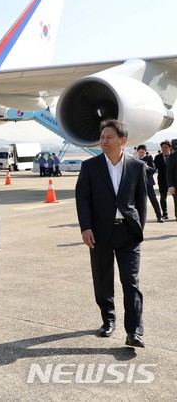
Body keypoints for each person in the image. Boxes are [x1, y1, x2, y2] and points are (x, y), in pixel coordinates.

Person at [75, 119, 146, 348]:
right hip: (100, 233)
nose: (103, 141)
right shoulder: (90, 166)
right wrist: (86, 228)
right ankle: (108, 319)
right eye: (102, 137)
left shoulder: (137, 166)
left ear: (122, 141)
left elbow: (140, 201)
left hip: (128, 234)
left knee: (131, 283)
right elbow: (82, 200)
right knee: (103, 280)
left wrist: (138, 230)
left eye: (109, 137)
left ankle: (134, 332)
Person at [136, 145, 163, 223]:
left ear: (145, 152)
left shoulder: (148, 158)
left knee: (153, 200)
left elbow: (154, 169)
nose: (141, 154)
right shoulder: (134, 160)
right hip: (138, 184)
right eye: (140, 152)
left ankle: (159, 216)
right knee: (139, 201)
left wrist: (147, 167)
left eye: (143, 152)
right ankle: (139, 218)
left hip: (148, 183)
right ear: (137, 152)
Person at [155, 140, 171, 220]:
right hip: (162, 180)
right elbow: (154, 168)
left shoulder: (173, 156)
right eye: (162, 147)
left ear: (170, 148)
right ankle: (165, 213)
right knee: (163, 197)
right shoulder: (158, 157)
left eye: (166, 147)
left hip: (173, 180)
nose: (164, 149)